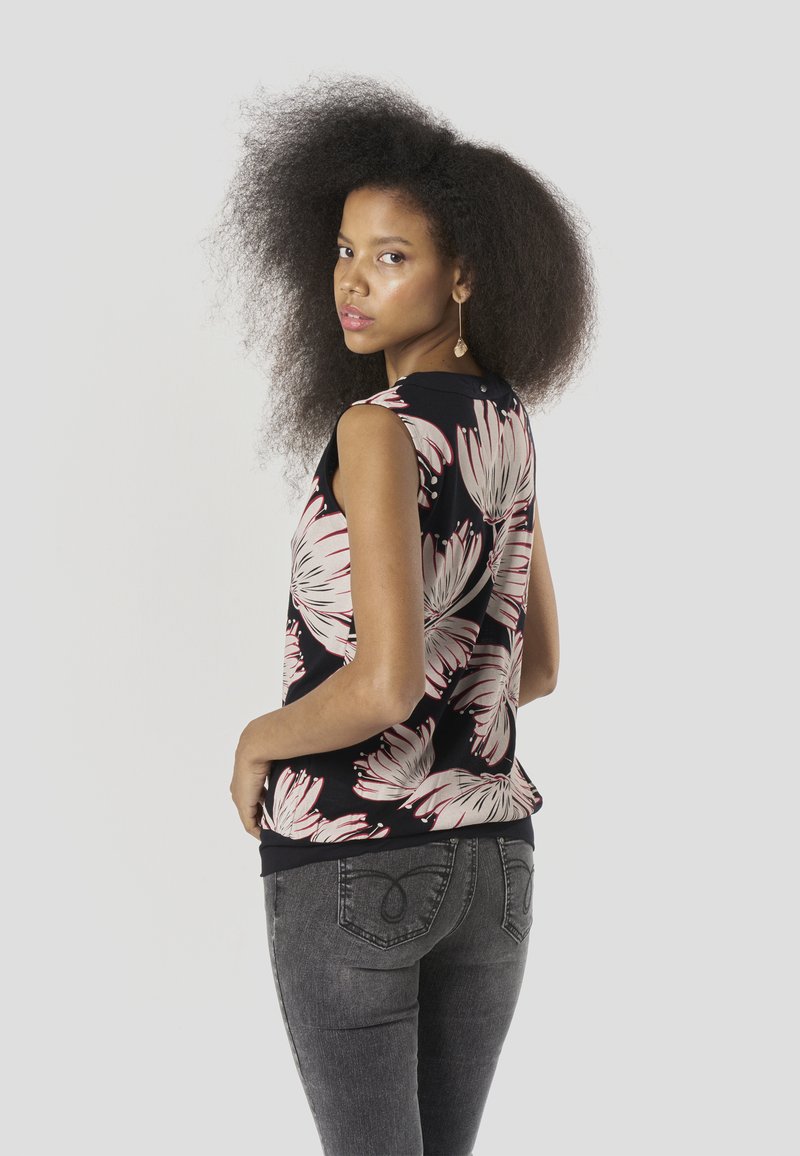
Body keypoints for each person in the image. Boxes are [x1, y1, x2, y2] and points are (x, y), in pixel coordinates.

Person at [215, 73, 596, 1156]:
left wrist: (257, 739)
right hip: (494, 863)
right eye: (345, 250)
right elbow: (535, 665)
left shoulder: (375, 428)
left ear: (462, 274)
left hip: (357, 856)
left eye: (391, 257)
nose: (353, 280)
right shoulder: (506, 422)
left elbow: (383, 685)